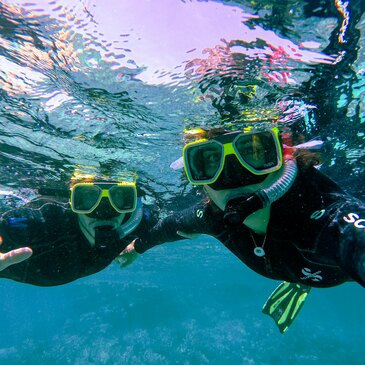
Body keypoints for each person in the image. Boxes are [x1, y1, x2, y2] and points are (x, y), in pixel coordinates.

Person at [118, 124, 365, 333]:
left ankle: (301, 281)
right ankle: (300, 282)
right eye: (210, 160)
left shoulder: (329, 217)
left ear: (285, 158)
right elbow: (169, 227)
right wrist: (137, 247)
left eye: (253, 152)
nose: (232, 176)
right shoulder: (212, 216)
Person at [0, 174, 157, 286]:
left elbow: (173, 225)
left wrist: (140, 246)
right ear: (73, 202)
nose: (104, 212)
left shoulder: (139, 221)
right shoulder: (43, 221)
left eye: (119, 198)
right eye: (88, 198)